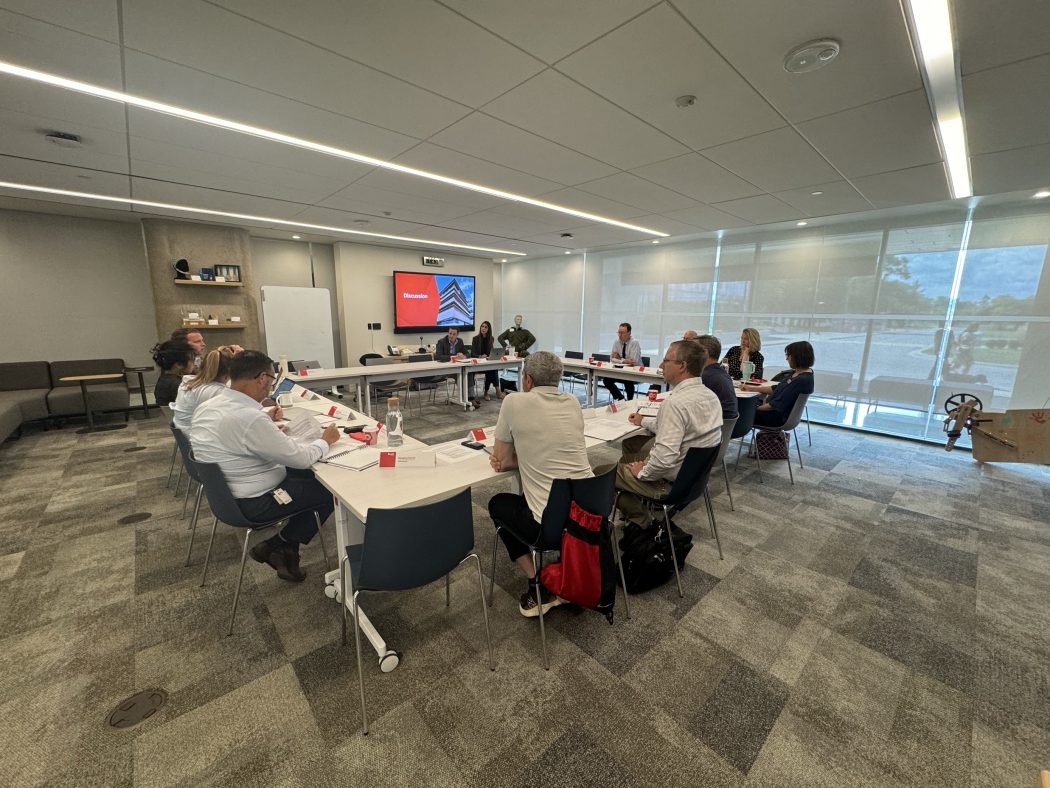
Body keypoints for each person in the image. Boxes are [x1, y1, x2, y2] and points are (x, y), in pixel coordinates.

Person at [190, 350, 340, 582]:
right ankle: (278, 545)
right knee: (330, 489)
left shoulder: (210, 406)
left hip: (224, 497)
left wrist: (267, 430)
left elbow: (233, 438)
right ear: (262, 378)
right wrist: (326, 440)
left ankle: (286, 549)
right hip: (255, 502)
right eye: (271, 381)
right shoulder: (249, 418)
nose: (270, 387)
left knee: (309, 478)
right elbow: (300, 458)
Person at [487, 352, 592, 617]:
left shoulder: (513, 402)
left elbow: (502, 459)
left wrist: (517, 458)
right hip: (588, 517)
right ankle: (567, 574)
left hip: (551, 527)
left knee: (498, 504)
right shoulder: (573, 402)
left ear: (528, 379)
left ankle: (537, 582)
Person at [596, 340, 722, 528]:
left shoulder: (676, 403)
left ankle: (642, 522)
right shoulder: (710, 397)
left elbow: (665, 458)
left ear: (682, 366)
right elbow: (678, 430)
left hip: (670, 484)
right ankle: (636, 510)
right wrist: (644, 421)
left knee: (600, 472)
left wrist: (643, 473)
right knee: (631, 452)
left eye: (666, 360)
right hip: (693, 480)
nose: (661, 365)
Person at [744, 341, 815, 428]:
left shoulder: (801, 380)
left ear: (796, 357)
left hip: (776, 417)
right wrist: (751, 388)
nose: (787, 359)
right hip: (777, 413)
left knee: (740, 411)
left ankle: (730, 435)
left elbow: (775, 405)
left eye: (788, 356)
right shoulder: (799, 374)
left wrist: (755, 408)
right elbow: (776, 388)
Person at [172, 347, 233, 431]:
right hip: (196, 438)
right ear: (228, 374)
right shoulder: (216, 391)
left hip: (184, 436)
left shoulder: (187, 383)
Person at [695, 335, 738, 421]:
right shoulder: (722, 373)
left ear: (705, 353)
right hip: (726, 429)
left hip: (712, 429)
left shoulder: (706, 377)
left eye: (693, 351)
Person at [603, 322, 642, 401]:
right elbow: (612, 358)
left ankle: (630, 401)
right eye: (619, 333)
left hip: (634, 371)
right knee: (606, 380)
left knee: (628, 380)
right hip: (621, 370)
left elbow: (633, 361)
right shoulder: (616, 342)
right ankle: (621, 399)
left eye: (622, 333)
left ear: (629, 333)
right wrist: (624, 361)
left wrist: (620, 359)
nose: (620, 335)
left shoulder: (634, 342)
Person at [151, 340, 196, 407]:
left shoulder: (164, 379)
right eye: (192, 360)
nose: (194, 364)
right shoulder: (178, 385)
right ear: (179, 364)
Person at [469, 320, 502, 406]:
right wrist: (480, 356)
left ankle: (488, 392)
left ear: (489, 329)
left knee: (492, 369)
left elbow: (491, 352)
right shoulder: (475, 339)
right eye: (482, 326)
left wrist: (489, 356)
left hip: (486, 363)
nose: (483, 328)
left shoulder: (491, 339)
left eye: (485, 327)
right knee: (492, 370)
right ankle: (495, 391)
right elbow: (472, 354)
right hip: (477, 364)